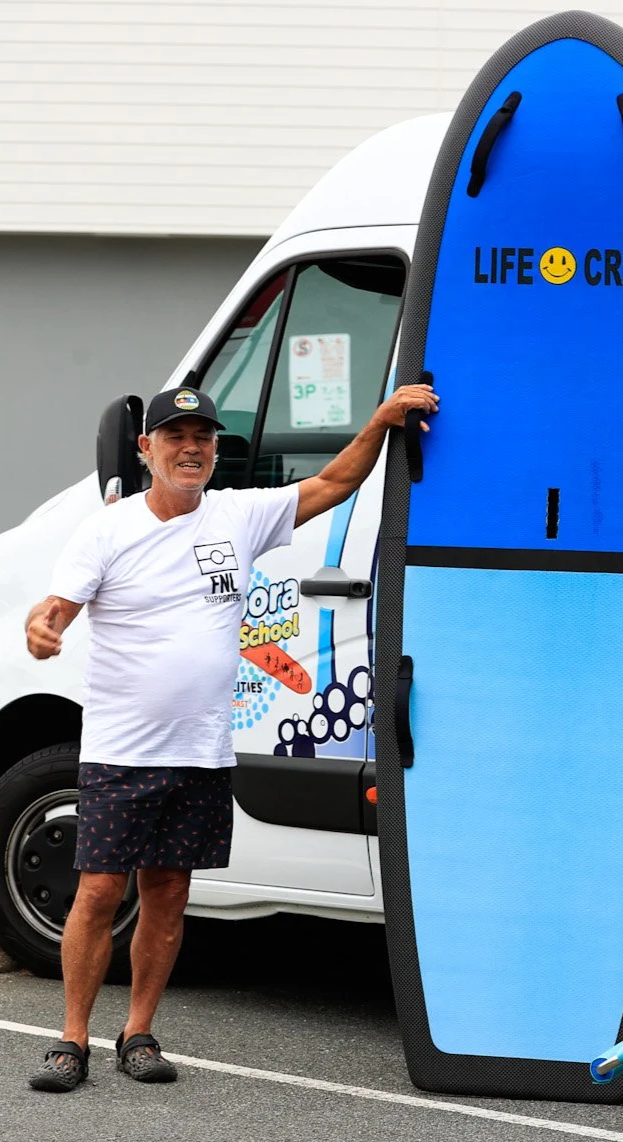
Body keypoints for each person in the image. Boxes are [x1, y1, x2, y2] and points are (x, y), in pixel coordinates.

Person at [23, 381, 438, 1092]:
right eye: (177, 438)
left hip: (201, 751)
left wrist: (382, 420)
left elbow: (338, 481)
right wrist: (44, 626)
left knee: (169, 892)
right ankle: (71, 1040)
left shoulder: (239, 516)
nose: (192, 449)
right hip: (123, 751)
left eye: (204, 438)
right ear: (147, 449)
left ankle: (140, 1033)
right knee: (97, 893)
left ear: (216, 451)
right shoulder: (108, 528)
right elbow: (58, 605)